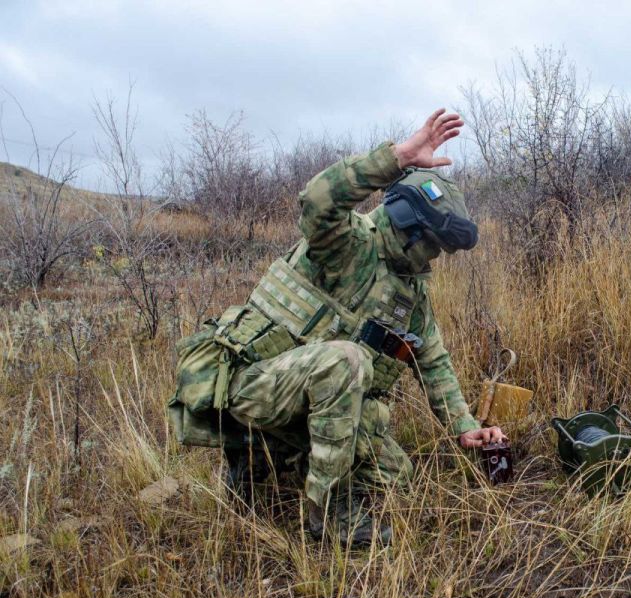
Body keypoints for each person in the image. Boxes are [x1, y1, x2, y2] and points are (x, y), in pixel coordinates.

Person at [167, 109, 506, 547]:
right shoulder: (346, 245)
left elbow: (434, 362)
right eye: (430, 245)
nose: (433, 258)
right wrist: (398, 157)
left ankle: (271, 456)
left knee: (395, 477)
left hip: (310, 401)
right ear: (405, 225)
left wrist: (465, 425)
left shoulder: (410, 294)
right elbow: (317, 200)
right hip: (250, 385)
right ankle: (329, 514)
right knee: (344, 361)